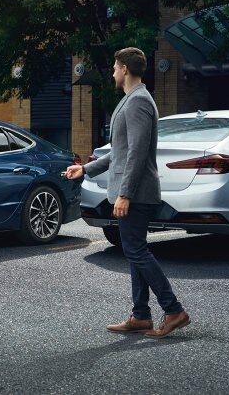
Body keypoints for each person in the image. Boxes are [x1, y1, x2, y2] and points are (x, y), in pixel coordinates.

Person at [66, 47, 190, 338]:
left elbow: (137, 153)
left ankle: (173, 310)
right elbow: (120, 152)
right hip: (134, 191)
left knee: (136, 250)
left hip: (137, 193)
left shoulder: (139, 101)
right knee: (134, 250)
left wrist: (125, 194)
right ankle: (141, 316)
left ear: (124, 69)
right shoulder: (132, 99)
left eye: (114, 67)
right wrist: (85, 169)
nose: (112, 72)